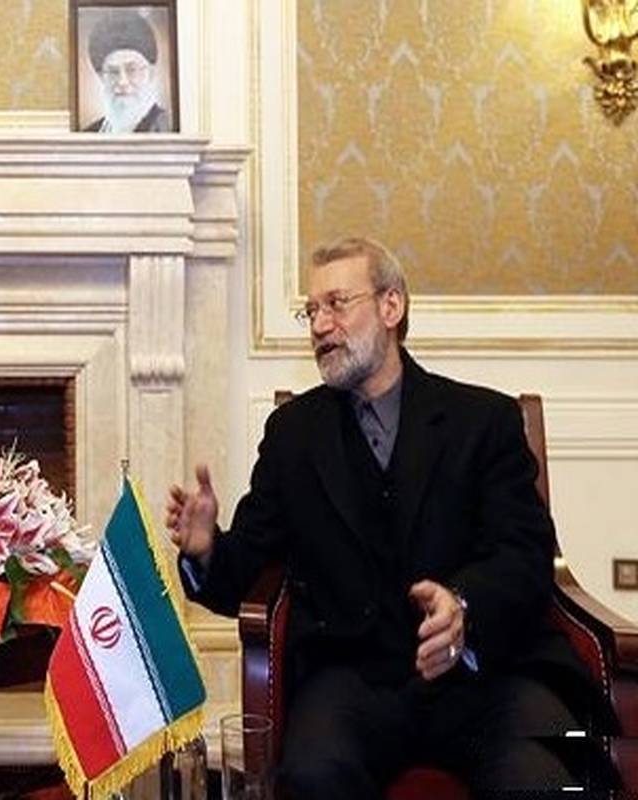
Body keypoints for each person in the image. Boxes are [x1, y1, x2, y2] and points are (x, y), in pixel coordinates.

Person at [167, 236, 608, 797]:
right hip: (354, 682)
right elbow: (249, 568)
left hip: (487, 675)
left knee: (546, 783)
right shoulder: (294, 435)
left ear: (391, 306)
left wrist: (463, 605)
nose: (319, 325)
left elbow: (524, 554)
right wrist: (206, 549)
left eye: (336, 304)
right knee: (311, 777)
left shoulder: (482, 421)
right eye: (311, 310)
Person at [82, 10, 172, 133]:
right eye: (113, 72)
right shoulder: (90, 133)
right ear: (101, 77)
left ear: (151, 74)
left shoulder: (167, 128)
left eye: (132, 70)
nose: (122, 82)